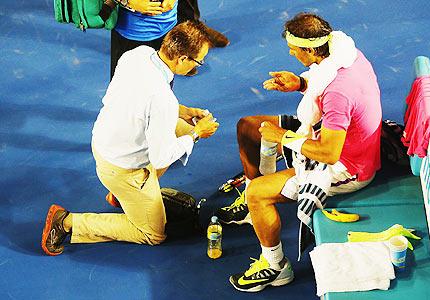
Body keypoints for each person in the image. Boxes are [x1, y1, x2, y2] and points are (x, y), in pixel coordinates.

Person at [222, 13, 382, 292]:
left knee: (257, 192)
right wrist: (300, 84)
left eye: (293, 48)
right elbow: (323, 89)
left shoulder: (338, 92)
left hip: (349, 166)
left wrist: (283, 137)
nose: (290, 52)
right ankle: (252, 211)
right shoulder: (345, 54)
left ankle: (275, 267)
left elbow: (330, 154)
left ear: (309, 49)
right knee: (248, 127)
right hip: (330, 135)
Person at [41, 21, 219, 256]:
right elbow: (161, 156)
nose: (199, 66)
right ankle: (66, 222)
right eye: (199, 61)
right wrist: (197, 133)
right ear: (182, 58)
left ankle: (124, 195)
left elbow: (139, 99)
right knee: (153, 234)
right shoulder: (162, 100)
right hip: (122, 169)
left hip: (104, 143)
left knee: (183, 129)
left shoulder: (138, 55)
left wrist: (181, 111)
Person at [108, 0, 229, 78]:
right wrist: (127, 1)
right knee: (126, 92)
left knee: (163, 83)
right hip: (132, 31)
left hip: (167, 25)